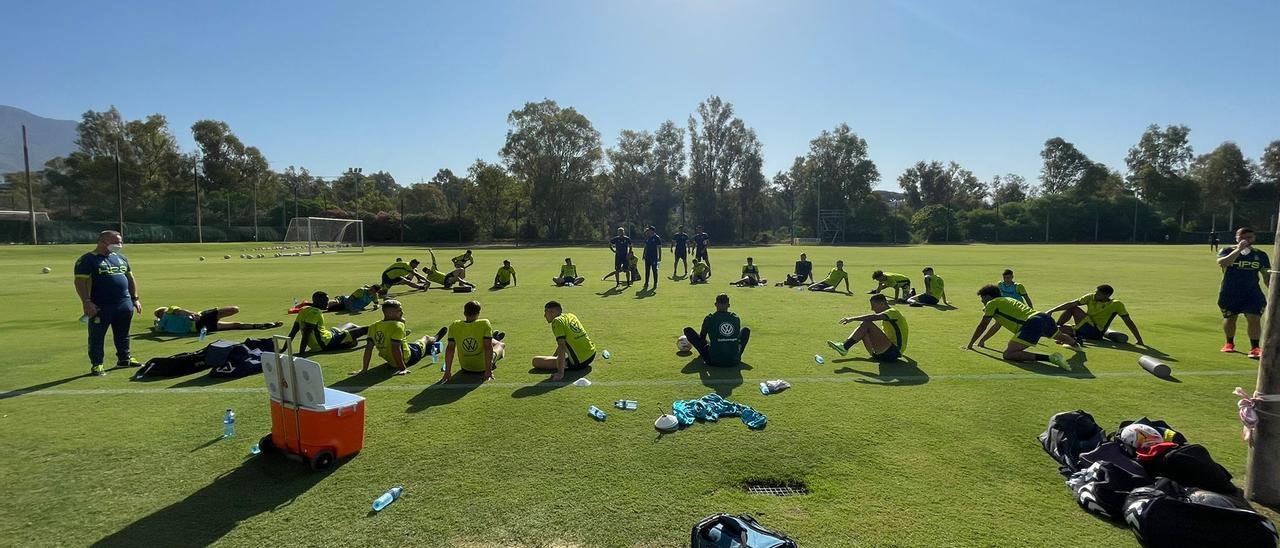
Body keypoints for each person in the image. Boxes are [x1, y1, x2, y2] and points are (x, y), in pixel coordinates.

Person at [74, 230, 142, 375]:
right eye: (116, 242)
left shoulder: (121, 258)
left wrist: (135, 298)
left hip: (124, 303)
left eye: (121, 242)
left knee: (123, 334)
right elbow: (80, 281)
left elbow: (130, 279)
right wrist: (86, 302)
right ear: (103, 242)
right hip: (100, 305)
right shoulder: (88, 260)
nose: (120, 245)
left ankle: (124, 358)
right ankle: (97, 364)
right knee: (97, 336)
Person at [966, 284, 1073, 366]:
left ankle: (1051, 358)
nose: (981, 301)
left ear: (988, 296)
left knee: (1008, 354)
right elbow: (997, 325)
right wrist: (982, 340)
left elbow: (982, 325)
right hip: (1043, 317)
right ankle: (1076, 345)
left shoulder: (991, 304)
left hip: (1032, 323)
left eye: (982, 298)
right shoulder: (1007, 300)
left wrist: (970, 344)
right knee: (1060, 336)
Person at [350, 300, 443, 376]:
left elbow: (368, 349)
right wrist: (403, 368)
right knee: (425, 338)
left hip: (390, 361)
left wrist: (364, 369)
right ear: (390, 313)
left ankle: (408, 338)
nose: (402, 312)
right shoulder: (398, 325)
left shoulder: (373, 326)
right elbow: (395, 348)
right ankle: (434, 339)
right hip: (409, 357)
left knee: (405, 342)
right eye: (399, 310)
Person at [1217, 227, 1270, 358]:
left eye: (1249, 237)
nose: (1246, 240)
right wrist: (1239, 250)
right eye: (1242, 237)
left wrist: (1272, 289)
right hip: (1230, 292)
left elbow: (1267, 276)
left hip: (1252, 293)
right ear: (1236, 238)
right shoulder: (1227, 250)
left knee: (1254, 318)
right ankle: (1229, 343)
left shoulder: (1260, 254)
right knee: (1230, 319)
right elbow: (1223, 263)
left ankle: (1255, 347)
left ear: (1254, 238)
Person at [1046, 284, 1145, 345]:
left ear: (1107, 295)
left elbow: (1128, 321)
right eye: (1095, 292)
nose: (1095, 295)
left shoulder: (1116, 304)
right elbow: (1071, 302)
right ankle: (1060, 328)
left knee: (1073, 309)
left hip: (1096, 332)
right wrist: (1052, 310)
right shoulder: (1090, 297)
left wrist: (1139, 339)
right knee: (1054, 331)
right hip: (1083, 328)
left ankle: (1060, 328)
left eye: (1098, 294)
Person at [826, 293, 908, 361]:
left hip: (893, 353)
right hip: (885, 353)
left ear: (882, 303)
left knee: (867, 323)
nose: (872, 308)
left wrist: (853, 318)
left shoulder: (893, 312)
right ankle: (846, 347)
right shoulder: (889, 316)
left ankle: (845, 347)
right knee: (865, 330)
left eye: (873, 305)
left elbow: (874, 317)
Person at [442, 300, 507, 382]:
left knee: (486, 340)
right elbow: (488, 348)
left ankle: (491, 338)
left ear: (464, 313)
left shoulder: (454, 325)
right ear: (478, 313)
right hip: (482, 367)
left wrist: (447, 372)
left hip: (465, 367)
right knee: (501, 345)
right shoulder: (484, 323)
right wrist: (488, 371)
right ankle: (494, 339)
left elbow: (450, 349)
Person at [532, 301, 597, 380]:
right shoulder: (571, 316)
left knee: (536, 361)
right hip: (591, 354)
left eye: (546, 312)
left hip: (580, 362)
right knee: (552, 359)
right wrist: (553, 357)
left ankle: (563, 366)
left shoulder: (557, 321)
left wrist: (560, 373)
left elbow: (562, 346)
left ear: (552, 312)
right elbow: (566, 342)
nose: (544, 316)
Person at [288, 291, 368, 355]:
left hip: (327, 336)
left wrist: (284, 348)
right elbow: (306, 334)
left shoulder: (303, 310)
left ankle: (356, 339)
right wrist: (302, 353)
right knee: (364, 331)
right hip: (326, 343)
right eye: (326, 301)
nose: (327, 303)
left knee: (350, 325)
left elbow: (293, 331)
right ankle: (373, 335)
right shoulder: (316, 313)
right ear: (320, 302)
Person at [682, 293, 751, 367]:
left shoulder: (709, 318)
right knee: (746, 330)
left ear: (715, 304)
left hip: (713, 361)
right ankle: (735, 355)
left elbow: (702, 338)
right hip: (734, 361)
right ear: (728, 305)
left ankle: (711, 352)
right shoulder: (736, 318)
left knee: (688, 330)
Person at [153, 306, 281, 334]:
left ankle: (261, 325)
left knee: (234, 325)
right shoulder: (168, 311)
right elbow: (181, 311)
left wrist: (156, 324)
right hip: (199, 319)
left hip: (199, 329)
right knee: (235, 309)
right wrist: (194, 314)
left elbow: (158, 330)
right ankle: (263, 325)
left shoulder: (162, 324)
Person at [642, 225, 662, 291]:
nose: (649, 232)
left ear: (653, 231)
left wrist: (660, 257)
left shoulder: (657, 238)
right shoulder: (647, 237)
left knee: (654, 270)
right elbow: (645, 247)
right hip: (647, 256)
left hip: (654, 257)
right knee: (647, 271)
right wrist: (643, 255)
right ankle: (646, 283)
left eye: (650, 230)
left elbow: (659, 248)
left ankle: (655, 283)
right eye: (648, 231)